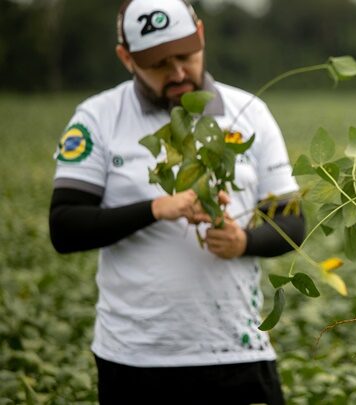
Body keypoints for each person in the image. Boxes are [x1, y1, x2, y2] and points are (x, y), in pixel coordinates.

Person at [48, 0, 303, 403]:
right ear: (126, 58)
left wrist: (243, 242)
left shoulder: (251, 113)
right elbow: (64, 227)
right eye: (159, 64)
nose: (178, 73)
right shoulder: (96, 118)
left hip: (238, 352)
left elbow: (292, 223)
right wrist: (155, 209)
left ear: (201, 35)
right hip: (133, 360)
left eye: (185, 56)